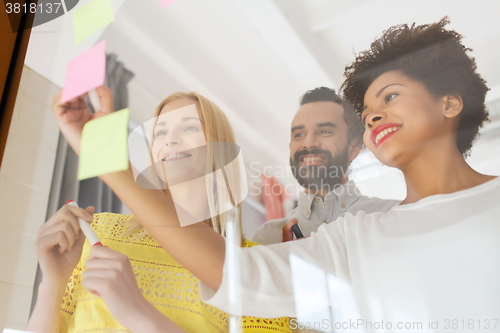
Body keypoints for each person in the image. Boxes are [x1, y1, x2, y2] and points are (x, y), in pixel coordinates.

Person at [45, 18, 500, 331]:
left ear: (449, 102)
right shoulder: (349, 239)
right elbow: (237, 276)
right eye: (368, 109)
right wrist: (106, 160)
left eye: (391, 96)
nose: (374, 115)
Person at [27, 91, 291, 333]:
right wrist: (52, 282)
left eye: (189, 127)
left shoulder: (254, 271)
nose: (170, 139)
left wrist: (139, 315)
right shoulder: (99, 231)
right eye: (160, 132)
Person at [251, 87, 398, 245]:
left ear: (354, 146)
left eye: (325, 131)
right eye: (299, 134)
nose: (308, 143)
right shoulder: (267, 239)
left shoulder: (393, 216)